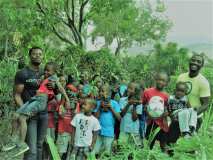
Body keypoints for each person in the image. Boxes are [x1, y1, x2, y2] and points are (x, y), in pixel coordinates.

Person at [177, 53, 211, 131]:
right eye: (193, 60)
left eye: (198, 62)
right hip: (179, 115)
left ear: (202, 65)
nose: (195, 62)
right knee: (172, 140)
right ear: (189, 62)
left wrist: (192, 115)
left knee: (188, 141)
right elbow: (177, 95)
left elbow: (205, 104)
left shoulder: (203, 82)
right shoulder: (181, 77)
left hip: (194, 119)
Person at [142, 71, 170, 152]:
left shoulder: (167, 96)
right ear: (155, 79)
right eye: (159, 79)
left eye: (163, 80)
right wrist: (147, 110)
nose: (160, 82)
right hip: (150, 122)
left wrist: (166, 113)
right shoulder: (147, 92)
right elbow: (142, 104)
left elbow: (168, 109)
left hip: (162, 124)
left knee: (163, 145)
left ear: (166, 83)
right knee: (149, 143)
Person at [93, 84, 121, 156]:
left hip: (109, 133)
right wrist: (100, 107)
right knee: (95, 152)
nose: (101, 93)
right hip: (98, 132)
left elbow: (119, 118)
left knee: (107, 154)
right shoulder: (98, 103)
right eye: (100, 91)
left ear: (109, 93)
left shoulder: (114, 103)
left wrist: (111, 108)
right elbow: (95, 118)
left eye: (103, 91)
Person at [56, 79, 80, 159]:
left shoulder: (77, 104)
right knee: (60, 152)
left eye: (72, 90)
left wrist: (73, 107)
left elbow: (75, 119)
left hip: (72, 132)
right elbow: (61, 115)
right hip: (63, 131)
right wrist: (64, 104)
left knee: (70, 154)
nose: (69, 92)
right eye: (68, 90)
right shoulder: (61, 103)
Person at [119, 82, 143, 147]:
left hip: (134, 130)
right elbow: (122, 114)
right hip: (124, 128)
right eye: (128, 88)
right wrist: (128, 104)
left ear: (136, 92)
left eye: (131, 89)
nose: (128, 90)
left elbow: (134, 118)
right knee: (122, 147)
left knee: (133, 150)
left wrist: (135, 106)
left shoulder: (139, 103)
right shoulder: (122, 100)